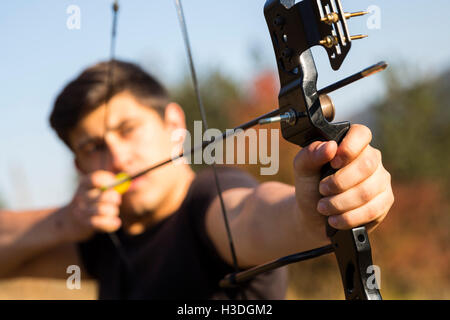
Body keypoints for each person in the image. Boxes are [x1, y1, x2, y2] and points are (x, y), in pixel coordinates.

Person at [0, 60, 394, 299]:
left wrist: (312, 212)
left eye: (127, 129)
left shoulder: (211, 202)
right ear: (80, 167)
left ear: (173, 123)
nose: (118, 157)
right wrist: (64, 222)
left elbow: (257, 216)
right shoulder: (106, 238)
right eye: (93, 147)